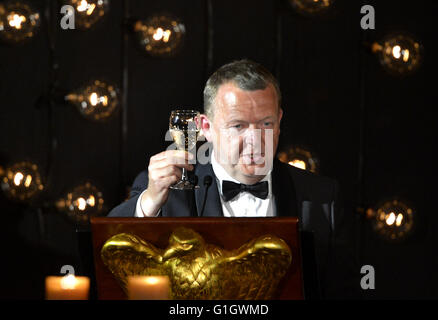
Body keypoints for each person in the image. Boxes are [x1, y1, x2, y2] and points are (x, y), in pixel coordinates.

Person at [108, 59, 359, 299]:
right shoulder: (170, 188)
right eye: (238, 126)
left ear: (280, 121)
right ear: (205, 127)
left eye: (266, 123)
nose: (255, 139)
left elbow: (342, 291)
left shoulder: (322, 196)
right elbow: (107, 250)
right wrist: (150, 201)